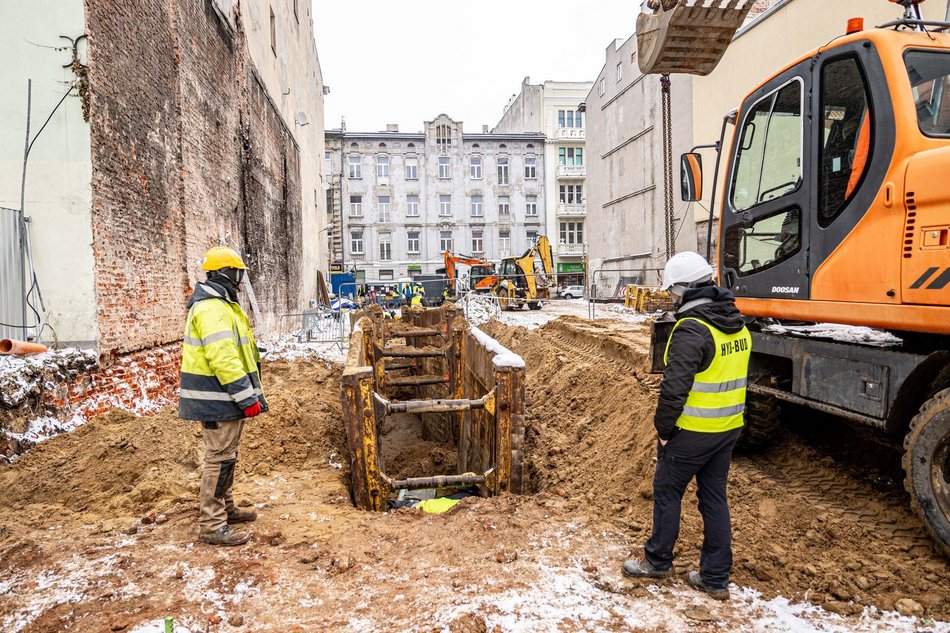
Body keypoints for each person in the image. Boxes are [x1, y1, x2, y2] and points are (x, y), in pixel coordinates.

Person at [621, 251, 751, 601]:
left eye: (674, 293)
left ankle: (658, 560)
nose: (673, 300)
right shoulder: (736, 324)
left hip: (692, 432)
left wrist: (663, 431)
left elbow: (673, 389)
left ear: (687, 290)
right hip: (728, 429)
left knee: (667, 491)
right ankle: (715, 578)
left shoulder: (693, 328)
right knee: (714, 498)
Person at [179, 246, 267, 546]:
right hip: (217, 398)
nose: (240, 279)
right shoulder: (211, 308)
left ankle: (225, 508)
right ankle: (212, 524)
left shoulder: (223, 304)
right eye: (237, 272)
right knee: (219, 459)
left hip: (223, 398)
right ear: (225, 273)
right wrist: (246, 397)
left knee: (227, 456)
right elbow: (223, 358)